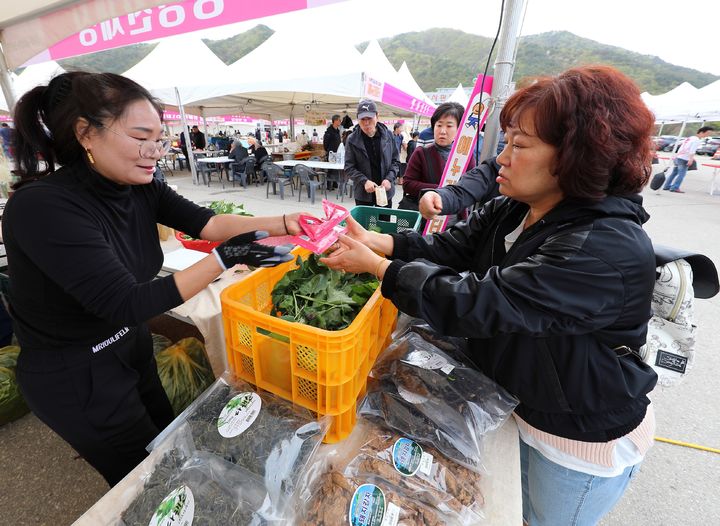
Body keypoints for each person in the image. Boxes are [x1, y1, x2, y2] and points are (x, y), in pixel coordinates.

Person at [322, 65, 658, 525]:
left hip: (578, 435)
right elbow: (450, 249)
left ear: (577, 157)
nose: (500, 158)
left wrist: (380, 268)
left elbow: (479, 302)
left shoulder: (604, 247)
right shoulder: (518, 206)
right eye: (507, 142)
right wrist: (385, 243)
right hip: (522, 401)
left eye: (519, 146)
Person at [4, 71, 303, 486]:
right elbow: (126, 301)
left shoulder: (139, 185)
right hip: (76, 373)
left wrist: (288, 221)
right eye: (142, 136)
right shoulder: (43, 208)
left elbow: (209, 222)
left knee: (169, 442)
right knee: (145, 479)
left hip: (130, 344)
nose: (155, 152)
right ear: (86, 133)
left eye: (160, 139)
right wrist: (223, 260)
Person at [400, 102, 475, 220]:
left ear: (459, 129)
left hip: (455, 222)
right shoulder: (421, 153)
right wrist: (441, 190)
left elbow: (471, 187)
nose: (442, 131)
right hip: (427, 219)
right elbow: (408, 184)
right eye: (439, 125)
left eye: (449, 126)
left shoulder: (466, 157)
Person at [344, 99, 400, 207]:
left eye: (369, 118)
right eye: (362, 119)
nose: (366, 123)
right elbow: (349, 167)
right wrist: (364, 181)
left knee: (384, 222)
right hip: (363, 193)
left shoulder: (388, 135)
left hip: (385, 191)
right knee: (363, 223)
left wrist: (389, 179)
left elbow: (395, 161)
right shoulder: (352, 139)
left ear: (377, 116)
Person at [663, 126, 716, 193]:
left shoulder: (691, 138)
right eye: (707, 133)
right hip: (684, 158)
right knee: (681, 174)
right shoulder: (696, 140)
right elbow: (692, 150)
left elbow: (682, 146)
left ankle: (666, 186)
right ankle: (675, 187)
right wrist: (691, 159)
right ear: (702, 132)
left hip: (678, 156)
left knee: (674, 173)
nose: (708, 135)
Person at [323, 115, 342, 190]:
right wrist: (329, 151)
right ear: (335, 121)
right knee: (330, 169)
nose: (340, 122)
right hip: (331, 153)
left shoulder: (337, 130)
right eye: (339, 120)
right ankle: (329, 185)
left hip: (337, 153)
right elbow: (325, 144)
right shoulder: (329, 131)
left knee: (336, 168)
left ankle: (335, 183)